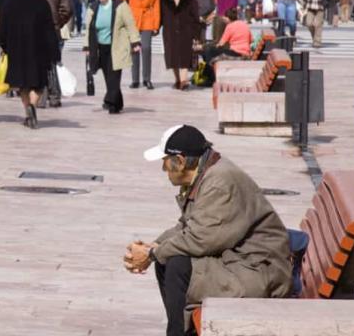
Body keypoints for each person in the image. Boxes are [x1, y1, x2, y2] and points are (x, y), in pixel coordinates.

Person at [124, 124, 292, 335]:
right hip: (238, 260)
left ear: (181, 161)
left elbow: (201, 239)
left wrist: (152, 254)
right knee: (168, 259)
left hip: (259, 270)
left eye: (165, 163)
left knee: (177, 265)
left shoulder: (218, 183)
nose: (163, 170)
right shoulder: (205, 174)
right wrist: (154, 247)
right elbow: (188, 226)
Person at [0, 0, 60, 129]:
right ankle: (32, 105)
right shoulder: (42, 5)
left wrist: (4, 46)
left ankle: (28, 110)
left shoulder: (9, 6)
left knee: (22, 84)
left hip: (16, 49)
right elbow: (49, 30)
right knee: (39, 84)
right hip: (38, 50)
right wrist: (54, 52)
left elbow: (2, 30)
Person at [83, 0, 141, 114]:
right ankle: (118, 102)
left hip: (117, 47)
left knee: (114, 77)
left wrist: (135, 42)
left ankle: (110, 103)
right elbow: (88, 29)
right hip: (100, 49)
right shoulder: (93, 8)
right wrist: (87, 47)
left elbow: (130, 24)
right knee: (108, 78)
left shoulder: (120, 6)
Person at [34, 0, 73, 108]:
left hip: (35, 32)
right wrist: (59, 22)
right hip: (52, 30)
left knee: (38, 64)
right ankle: (54, 95)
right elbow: (67, 9)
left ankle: (42, 96)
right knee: (52, 63)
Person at [120, 0, 160, 90]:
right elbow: (121, 0)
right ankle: (135, 79)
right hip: (132, 19)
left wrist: (156, 25)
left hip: (147, 18)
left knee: (147, 48)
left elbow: (156, 6)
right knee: (134, 50)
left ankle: (147, 79)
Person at [160, 0, 200, 91]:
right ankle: (178, 79)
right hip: (170, 31)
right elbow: (160, 15)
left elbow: (195, 17)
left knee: (184, 56)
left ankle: (183, 81)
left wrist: (196, 34)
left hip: (186, 31)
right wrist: (156, 27)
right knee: (172, 58)